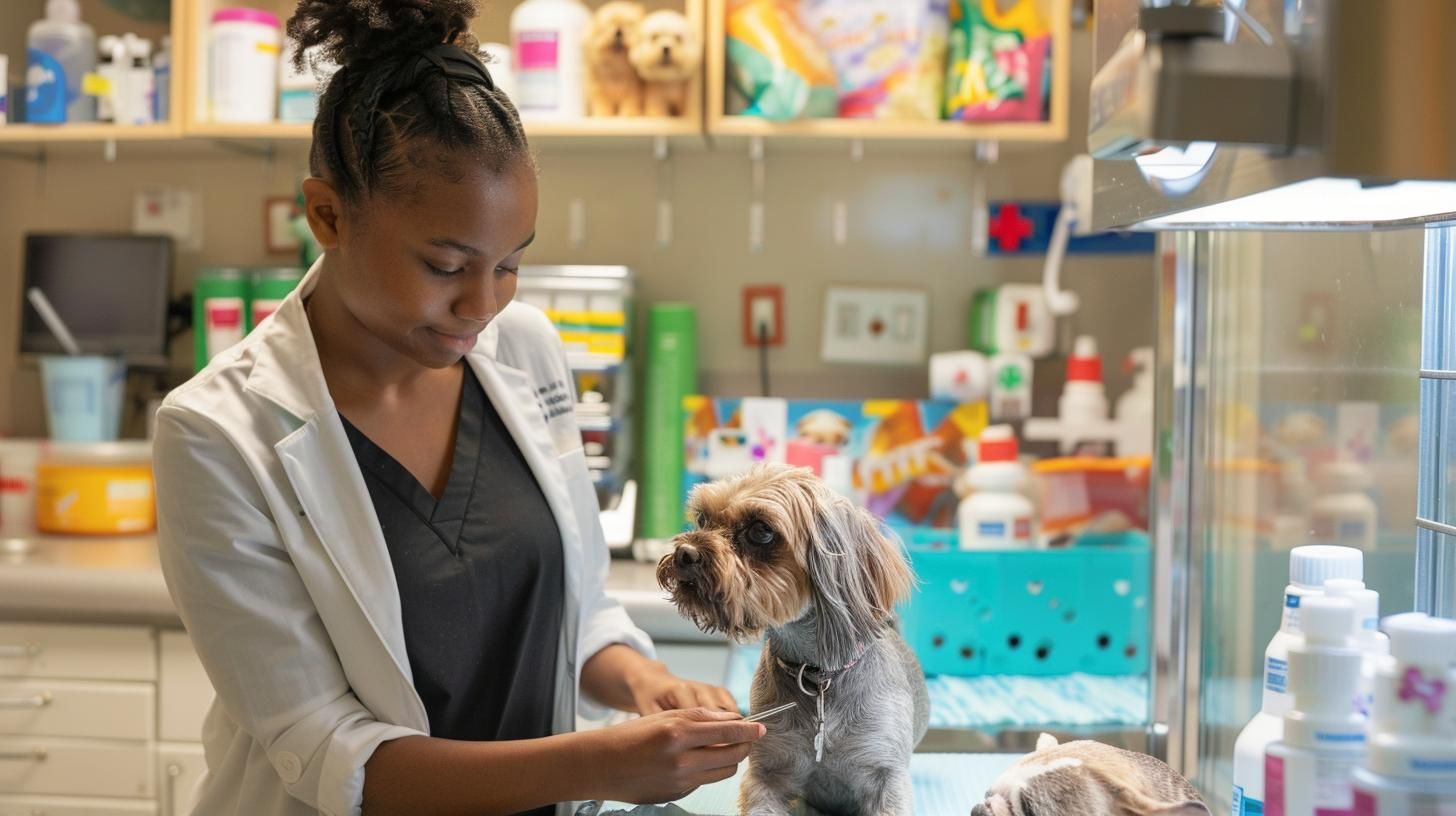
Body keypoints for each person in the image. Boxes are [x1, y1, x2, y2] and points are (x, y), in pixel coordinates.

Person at [151, 2, 763, 814]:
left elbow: (577, 612)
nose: (483, 304)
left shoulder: (526, 348)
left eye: (510, 264)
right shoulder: (217, 433)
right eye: (446, 265)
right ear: (328, 215)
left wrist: (646, 683)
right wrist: (599, 765)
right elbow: (330, 755)